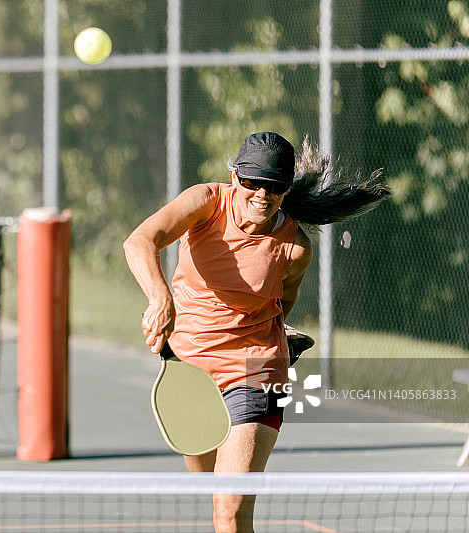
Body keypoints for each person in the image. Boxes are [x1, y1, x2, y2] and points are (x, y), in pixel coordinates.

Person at [123, 132, 391, 532]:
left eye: (275, 187)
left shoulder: (295, 247)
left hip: (255, 371)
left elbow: (281, 305)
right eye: (253, 182)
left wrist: (280, 336)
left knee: (231, 511)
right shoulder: (206, 202)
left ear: (285, 190)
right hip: (189, 370)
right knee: (212, 498)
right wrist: (160, 298)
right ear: (235, 177)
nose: (262, 194)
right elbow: (140, 241)